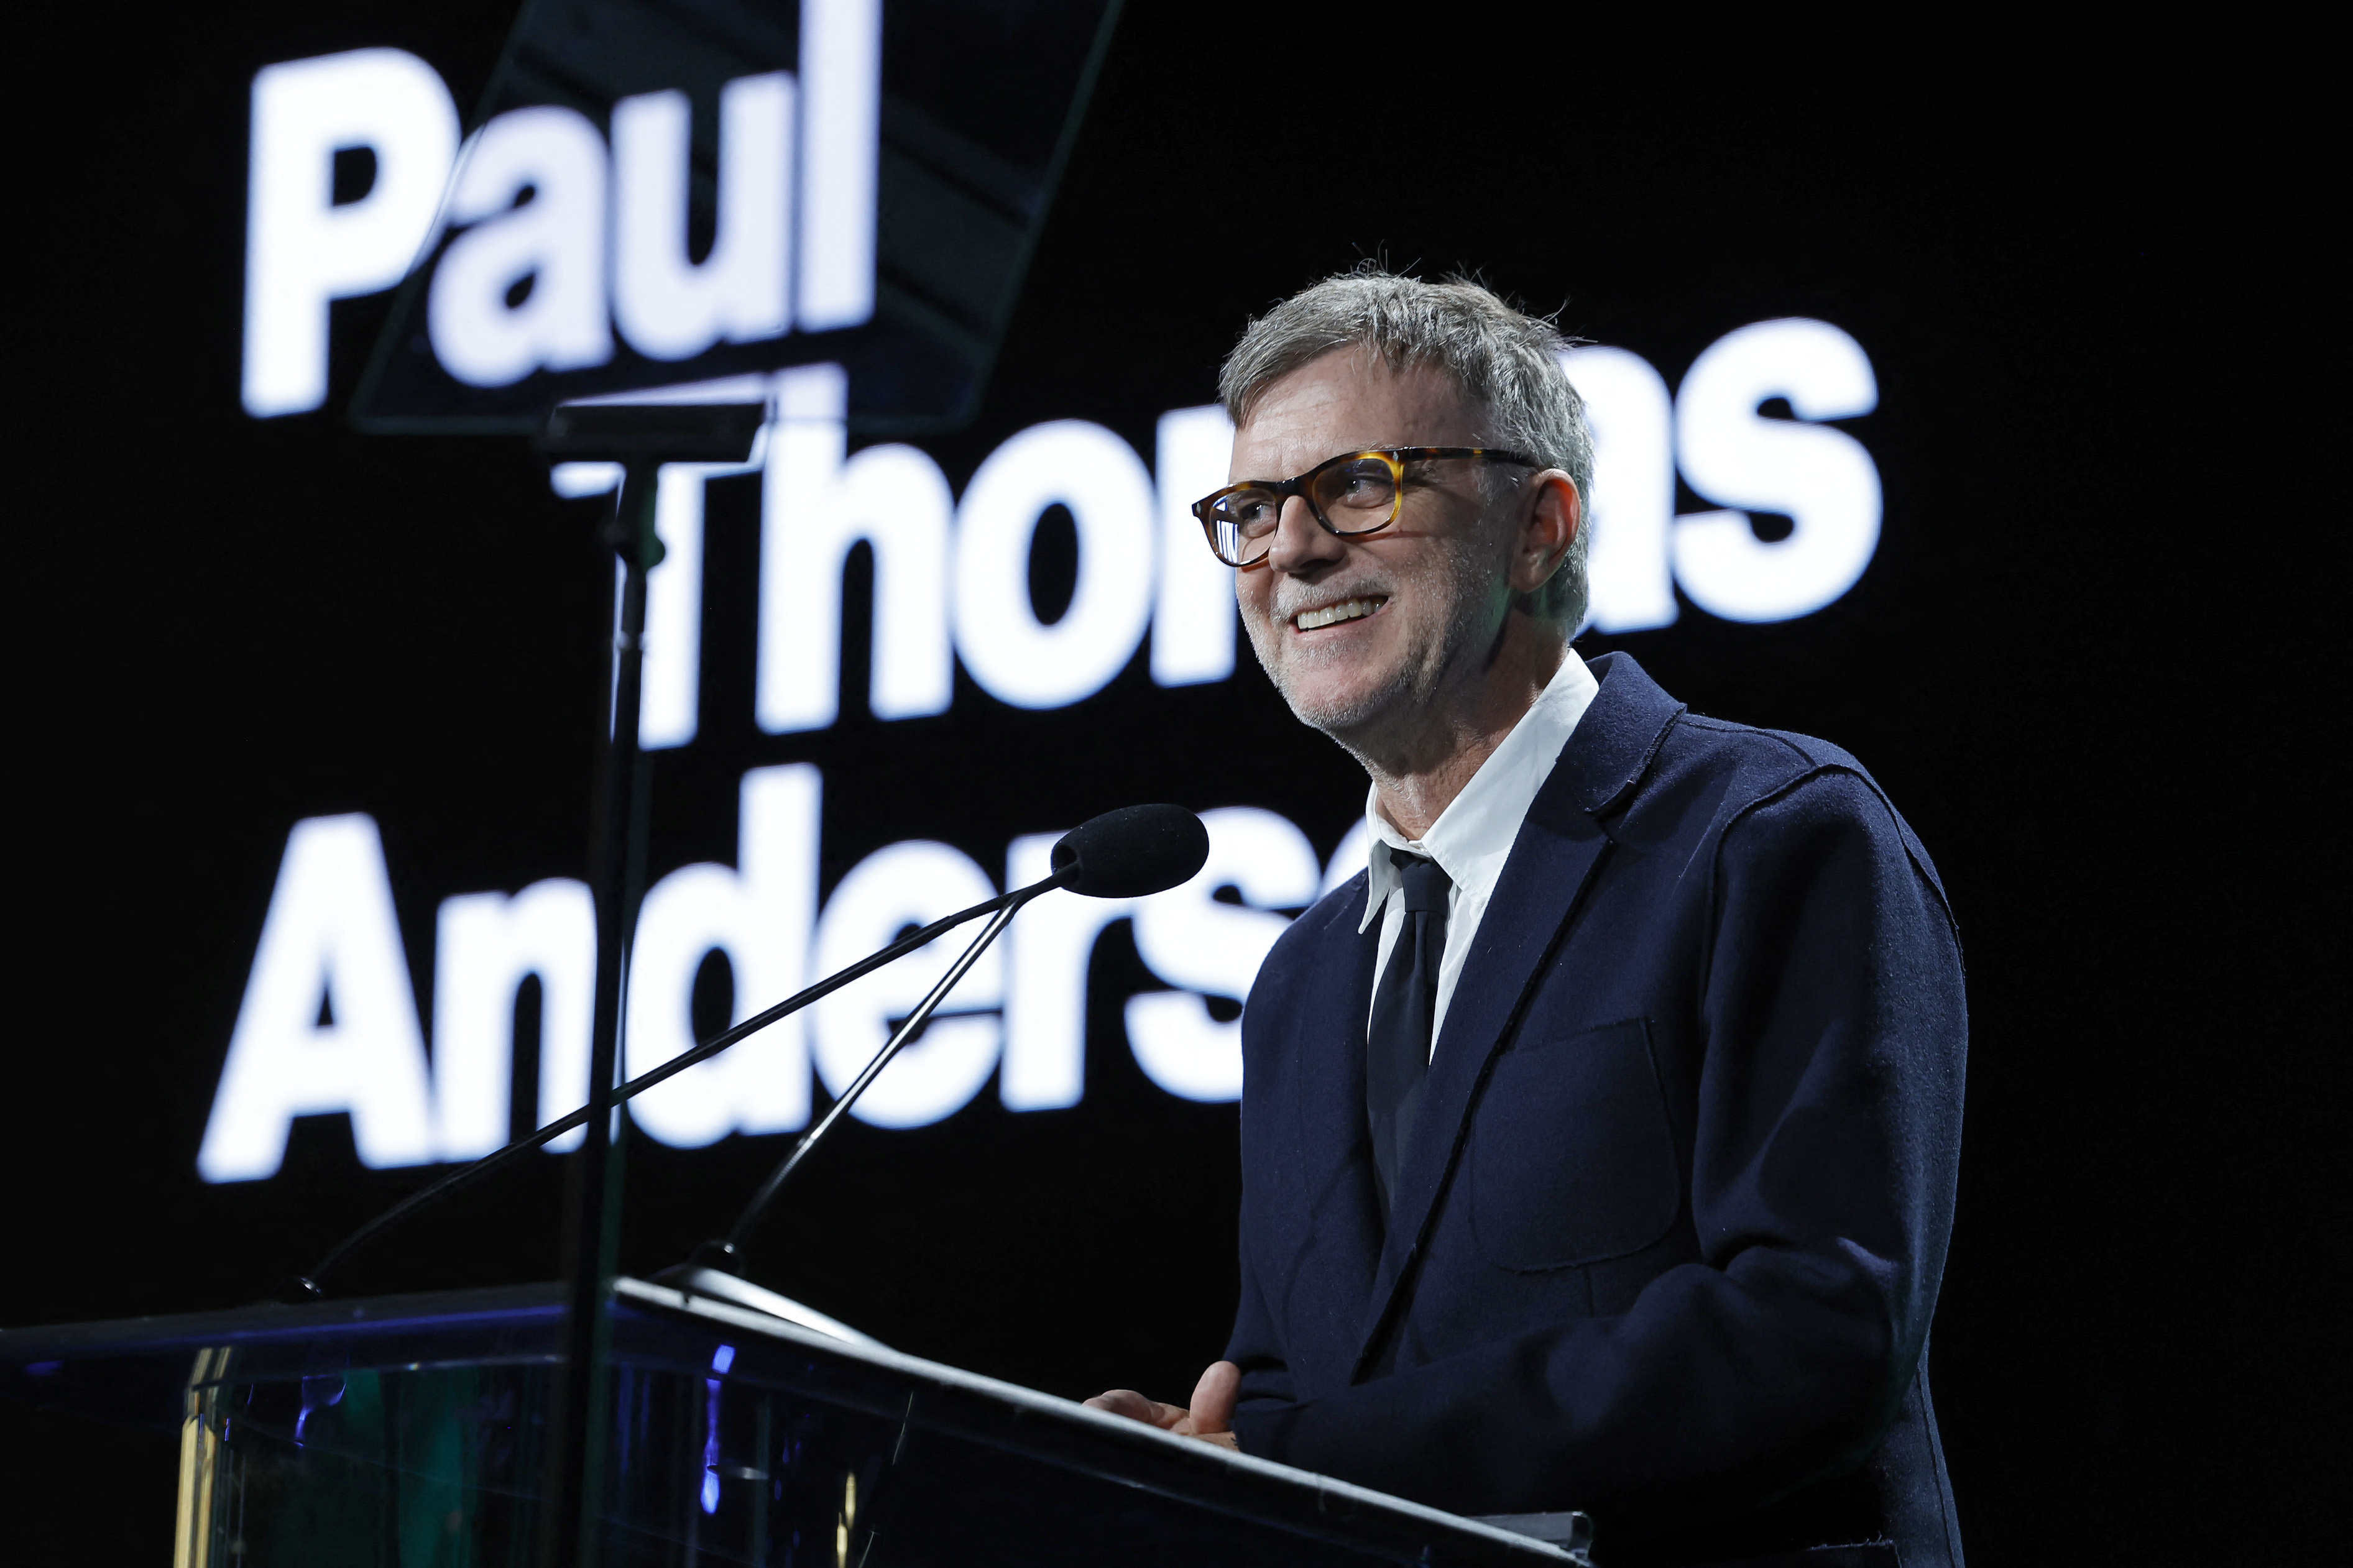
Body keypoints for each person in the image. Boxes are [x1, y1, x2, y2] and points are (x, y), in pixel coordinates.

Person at [1084, 268, 1968, 1568]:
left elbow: (1812, 1329)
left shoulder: (1768, 833)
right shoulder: (1301, 980)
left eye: (1360, 485)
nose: (1293, 550)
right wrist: (1187, 1460)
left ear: (1539, 526)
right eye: (1252, 509)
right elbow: (1290, 1389)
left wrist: (1301, 1458)